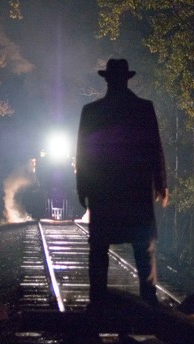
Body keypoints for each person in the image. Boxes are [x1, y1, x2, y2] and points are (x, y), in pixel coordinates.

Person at [76, 59, 168, 308]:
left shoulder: (92, 111)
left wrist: (82, 187)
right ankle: (148, 303)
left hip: (104, 190)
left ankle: (98, 301)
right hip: (135, 190)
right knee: (142, 246)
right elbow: (154, 148)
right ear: (127, 79)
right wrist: (160, 183)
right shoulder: (143, 108)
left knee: (100, 248)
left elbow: (83, 153)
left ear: (107, 79)